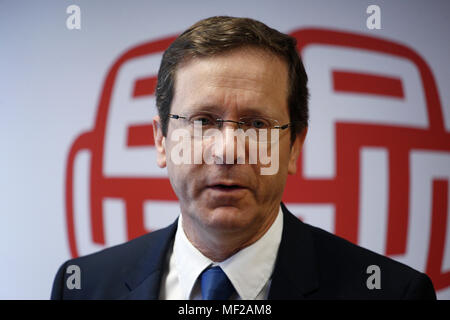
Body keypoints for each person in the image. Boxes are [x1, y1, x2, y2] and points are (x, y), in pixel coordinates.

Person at [51, 16, 436, 300]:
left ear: (294, 146)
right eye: (202, 121)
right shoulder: (83, 287)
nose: (228, 150)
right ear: (161, 141)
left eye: (255, 123)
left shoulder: (391, 293)